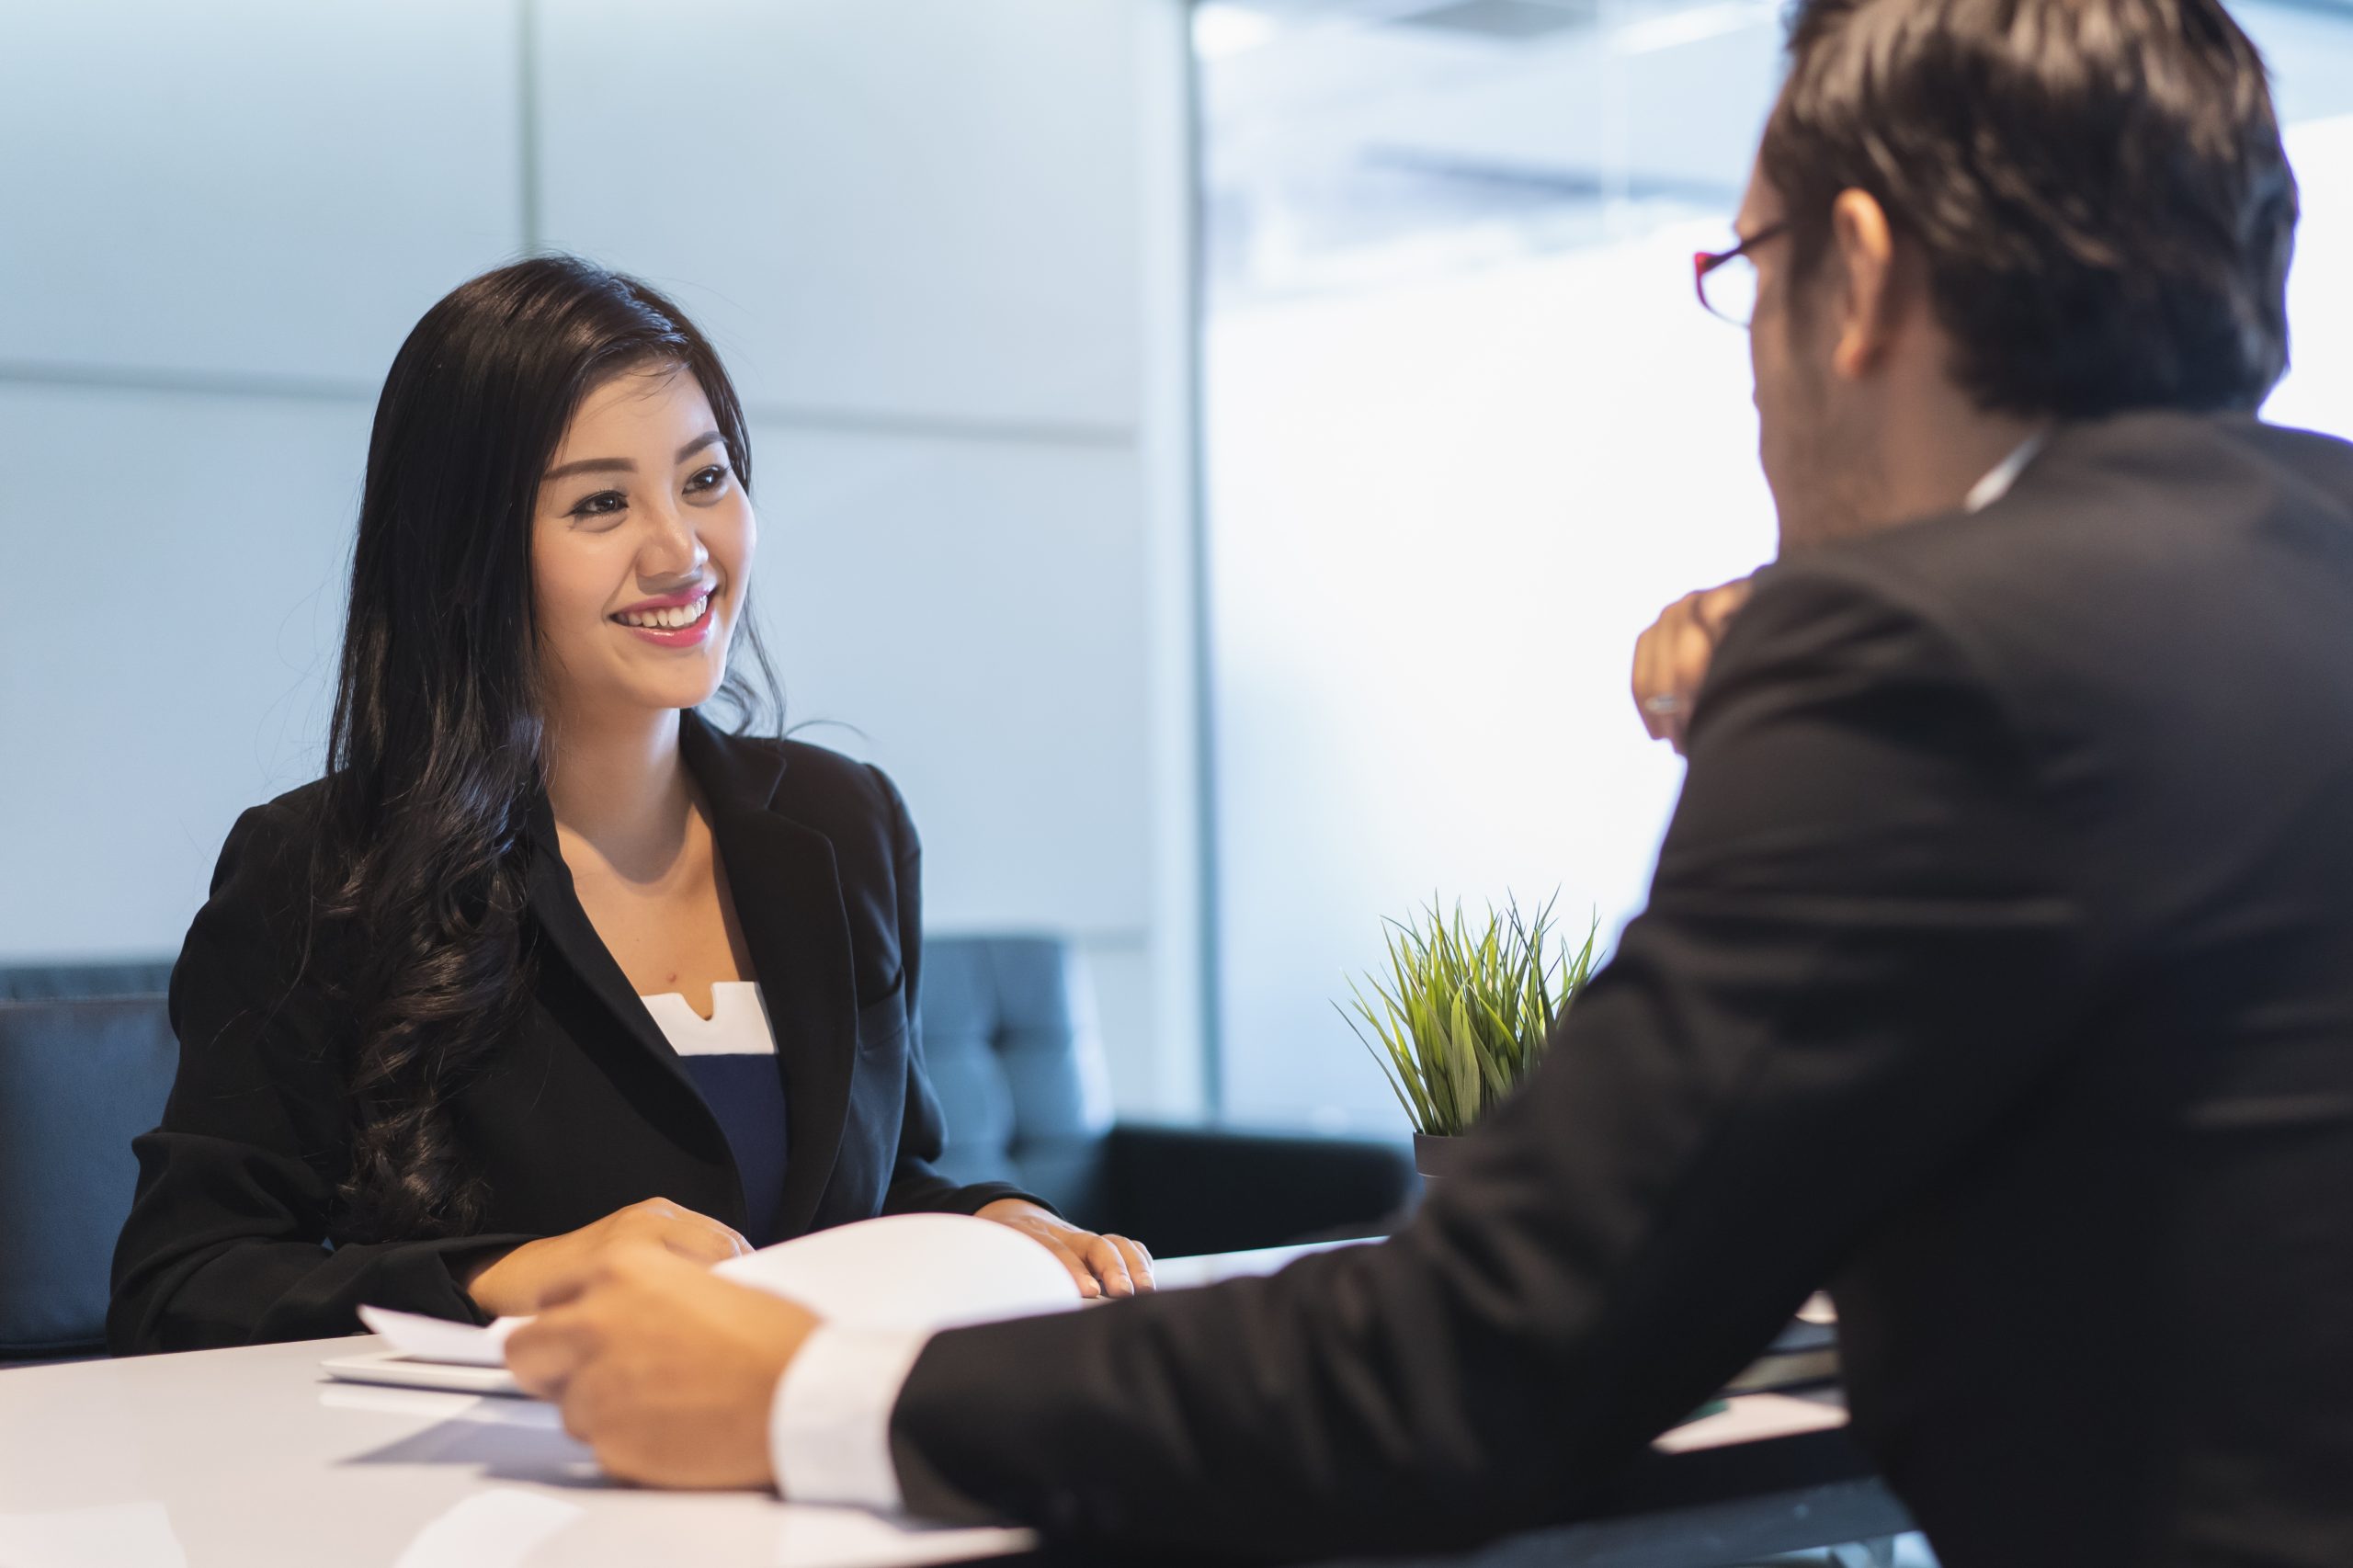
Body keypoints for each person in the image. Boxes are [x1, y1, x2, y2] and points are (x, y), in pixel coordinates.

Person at [505, 0, 2353, 1560]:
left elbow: (1482, 1354)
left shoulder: (1924, 668)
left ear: (1854, 278)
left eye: (1744, 274)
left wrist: (805, 1388)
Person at [108, 257, 1153, 1355]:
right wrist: (523, 1273)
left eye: (705, 480)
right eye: (600, 503)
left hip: (812, 1483)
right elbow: (184, 1283)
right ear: (467, 557)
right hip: (492, 1510)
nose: (680, 551)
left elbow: (879, 1185)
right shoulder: (322, 867)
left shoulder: (846, 827)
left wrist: (1004, 1224)